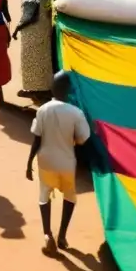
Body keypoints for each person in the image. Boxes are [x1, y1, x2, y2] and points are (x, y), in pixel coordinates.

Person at [26, 71, 92, 255]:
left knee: (44, 196)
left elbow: (36, 139)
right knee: (70, 196)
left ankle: (48, 235)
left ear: (52, 88)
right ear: (69, 90)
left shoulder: (42, 110)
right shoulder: (76, 113)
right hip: (66, 162)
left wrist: (28, 163)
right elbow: (84, 139)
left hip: (45, 161)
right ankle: (62, 235)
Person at [13, 0, 54, 97]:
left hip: (33, 30)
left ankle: (33, 89)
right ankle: (44, 87)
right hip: (42, 27)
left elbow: (31, 16)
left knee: (31, 58)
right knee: (42, 58)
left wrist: (17, 28)